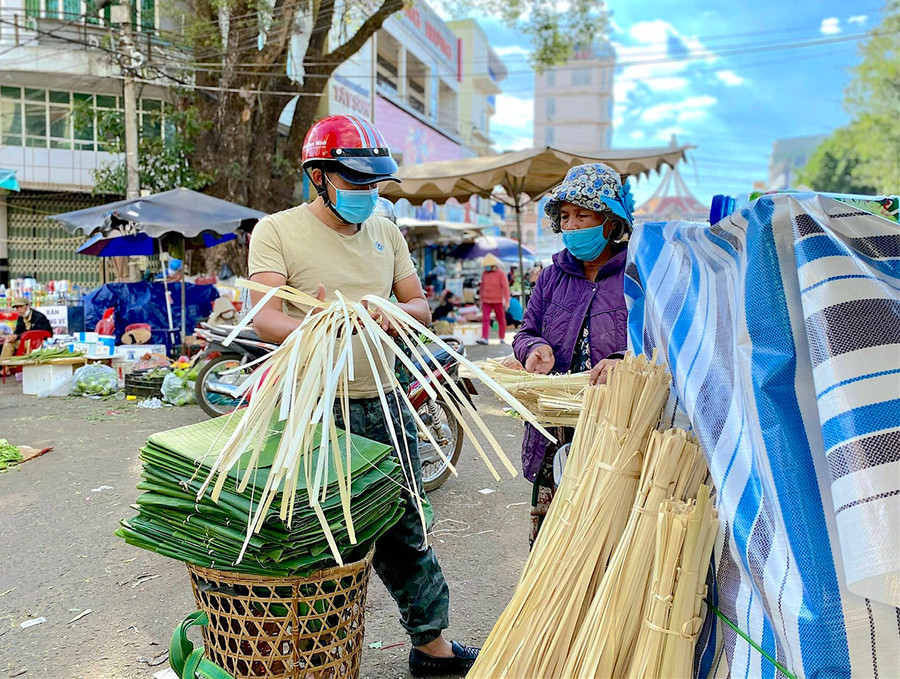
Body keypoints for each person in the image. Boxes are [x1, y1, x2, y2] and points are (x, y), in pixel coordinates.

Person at [245, 114, 479, 677]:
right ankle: (320, 656)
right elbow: (264, 318)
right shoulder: (276, 231)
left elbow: (420, 307)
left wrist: (391, 313)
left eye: (373, 185)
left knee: (406, 524)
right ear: (318, 176)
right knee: (319, 531)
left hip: (386, 395)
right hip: (312, 405)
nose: (366, 195)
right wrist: (323, 321)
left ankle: (431, 647)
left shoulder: (387, 231)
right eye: (354, 183)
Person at [511, 163, 635, 546]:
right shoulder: (551, 277)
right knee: (553, 547)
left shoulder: (638, 274)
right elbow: (524, 332)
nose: (573, 225)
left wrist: (622, 361)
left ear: (611, 220)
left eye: (584, 214)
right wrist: (534, 348)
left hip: (616, 428)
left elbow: (660, 344)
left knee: (604, 545)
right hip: (556, 430)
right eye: (566, 216)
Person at [1, 297, 54, 363]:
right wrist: (13, 336)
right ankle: (4, 368)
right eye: (17, 307)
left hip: (40, 342)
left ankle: (27, 366)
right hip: (25, 341)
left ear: (28, 306)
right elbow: (18, 332)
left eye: (21, 306)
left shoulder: (39, 317)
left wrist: (17, 336)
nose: (19, 309)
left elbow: (38, 334)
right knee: (8, 343)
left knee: (30, 343)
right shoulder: (20, 318)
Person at [476, 253, 510, 345]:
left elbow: (505, 288)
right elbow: (482, 287)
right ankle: (485, 338)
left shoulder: (501, 274)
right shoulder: (484, 274)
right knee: (485, 319)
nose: (486, 267)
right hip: (486, 301)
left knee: (501, 319)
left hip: (498, 301)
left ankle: (502, 337)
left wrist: (507, 301)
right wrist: (480, 299)